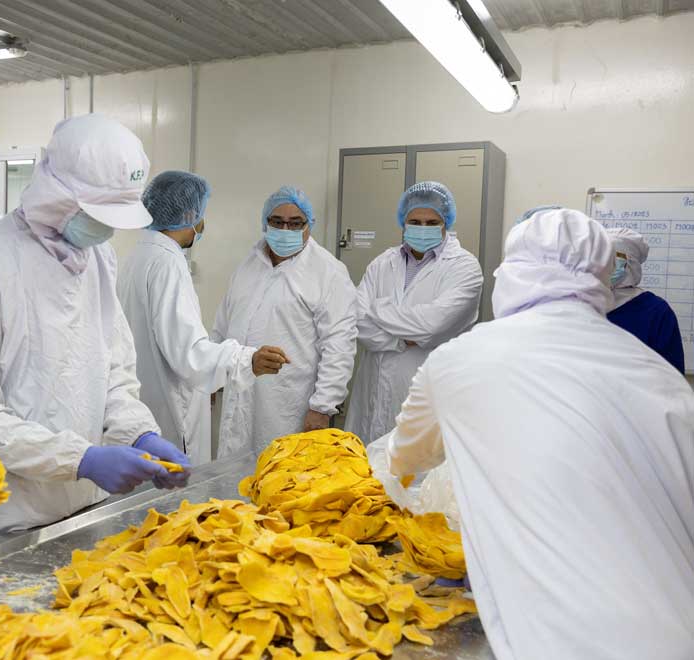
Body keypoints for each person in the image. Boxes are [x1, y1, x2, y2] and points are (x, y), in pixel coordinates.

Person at [386, 207, 694, 660]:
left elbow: (404, 461)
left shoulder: (460, 360)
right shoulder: (661, 376)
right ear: (603, 275)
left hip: (563, 640)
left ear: (511, 273)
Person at [0, 115, 189, 550]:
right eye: (97, 213)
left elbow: (115, 375)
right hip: (12, 518)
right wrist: (81, 459)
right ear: (56, 193)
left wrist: (140, 433)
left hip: (88, 505)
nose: (106, 229)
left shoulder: (98, 257)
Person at [118, 171, 290, 465]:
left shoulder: (137, 256)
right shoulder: (167, 263)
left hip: (143, 409)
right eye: (201, 214)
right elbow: (189, 354)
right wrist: (247, 360)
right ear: (188, 215)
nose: (202, 223)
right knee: (173, 487)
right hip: (172, 417)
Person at [212, 186, 356, 455]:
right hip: (240, 392)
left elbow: (339, 344)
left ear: (309, 225)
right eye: (277, 222)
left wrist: (322, 406)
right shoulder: (249, 264)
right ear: (265, 223)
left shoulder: (328, 272)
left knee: (282, 471)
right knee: (234, 469)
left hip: (288, 401)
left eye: (295, 223)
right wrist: (211, 372)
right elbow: (223, 323)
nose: (285, 229)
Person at [346, 181, 483, 445]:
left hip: (426, 394)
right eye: (415, 221)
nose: (423, 228)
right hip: (373, 389)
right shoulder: (383, 262)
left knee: (419, 464)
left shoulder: (465, 267)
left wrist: (377, 308)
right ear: (403, 222)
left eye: (432, 222)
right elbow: (357, 320)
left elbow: (431, 325)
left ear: (445, 223)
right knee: (369, 462)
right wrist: (400, 340)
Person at [606, 227, 684, 373]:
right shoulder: (583, 303)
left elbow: (672, 375)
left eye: (611, 260)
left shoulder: (656, 311)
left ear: (630, 264)